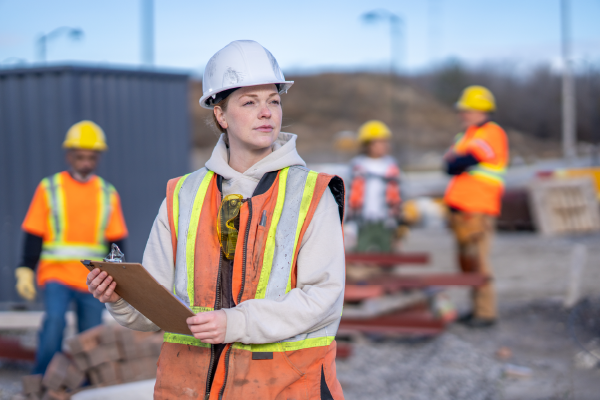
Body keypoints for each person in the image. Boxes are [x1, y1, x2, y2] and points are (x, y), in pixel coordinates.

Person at [87, 40, 346, 400]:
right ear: (221, 115)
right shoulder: (183, 195)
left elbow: (323, 298)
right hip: (189, 388)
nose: (267, 112)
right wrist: (119, 298)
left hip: (283, 388)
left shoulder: (311, 194)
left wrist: (234, 323)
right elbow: (155, 309)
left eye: (273, 100)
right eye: (250, 102)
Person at [15, 120, 128, 374]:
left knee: (90, 336)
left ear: (97, 158)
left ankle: (85, 386)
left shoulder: (107, 193)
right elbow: (34, 233)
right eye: (80, 157)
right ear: (69, 156)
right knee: (54, 323)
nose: (85, 162)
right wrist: (25, 268)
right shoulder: (50, 188)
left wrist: (122, 278)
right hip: (56, 274)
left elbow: (117, 243)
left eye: (91, 157)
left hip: (92, 278)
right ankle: (42, 381)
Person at [443, 85, 509, 328]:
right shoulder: (466, 135)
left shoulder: (492, 133)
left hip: (478, 207)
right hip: (462, 207)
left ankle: (485, 312)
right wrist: (457, 161)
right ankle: (476, 308)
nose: (462, 113)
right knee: (467, 262)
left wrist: (458, 161)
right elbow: (450, 165)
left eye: (466, 109)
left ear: (480, 110)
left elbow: (463, 161)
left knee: (479, 260)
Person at [347, 120, 402, 253]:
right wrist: (348, 221)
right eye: (378, 142)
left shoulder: (391, 165)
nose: (383, 146)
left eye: (384, 142)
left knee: (387, 252)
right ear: (367, 144)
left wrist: (401, 219)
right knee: (361, 252)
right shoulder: (357, 165)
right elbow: (348, 192)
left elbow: (401, 192)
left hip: (386, 220)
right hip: (362, 220)